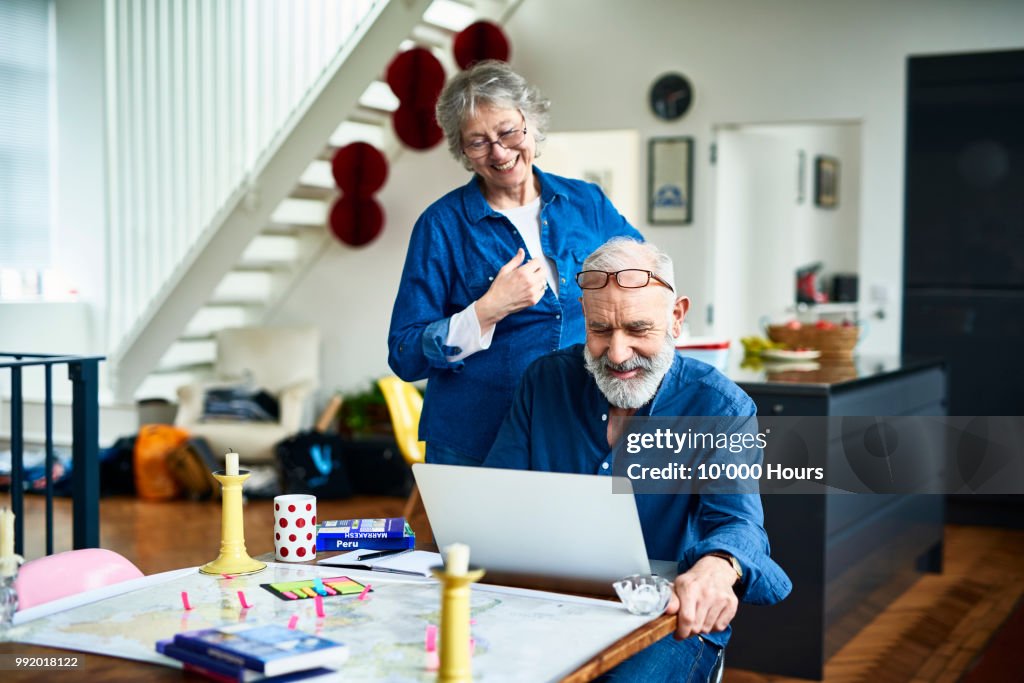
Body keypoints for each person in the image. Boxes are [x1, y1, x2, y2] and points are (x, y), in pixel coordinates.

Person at [484, 237, 791, 682]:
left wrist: (718, 566)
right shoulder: (545, 380)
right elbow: (497, 495)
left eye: (638, 329)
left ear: (676, 318)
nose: (617, 353)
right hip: (551, 596)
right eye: (600, 330)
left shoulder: (721, 406)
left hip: (666, 617)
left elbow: (740, 524)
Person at [387, 60, 642, 466]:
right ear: (463, 152)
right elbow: (404, 352)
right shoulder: (441, 225)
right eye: (479, 141)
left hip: (577, 432)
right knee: (473, 535)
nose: (500, 152)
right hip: (475, 440)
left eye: (508, 131)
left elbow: (643, 282)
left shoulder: (587, 203)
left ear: (531, 122)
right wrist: (487, 311)